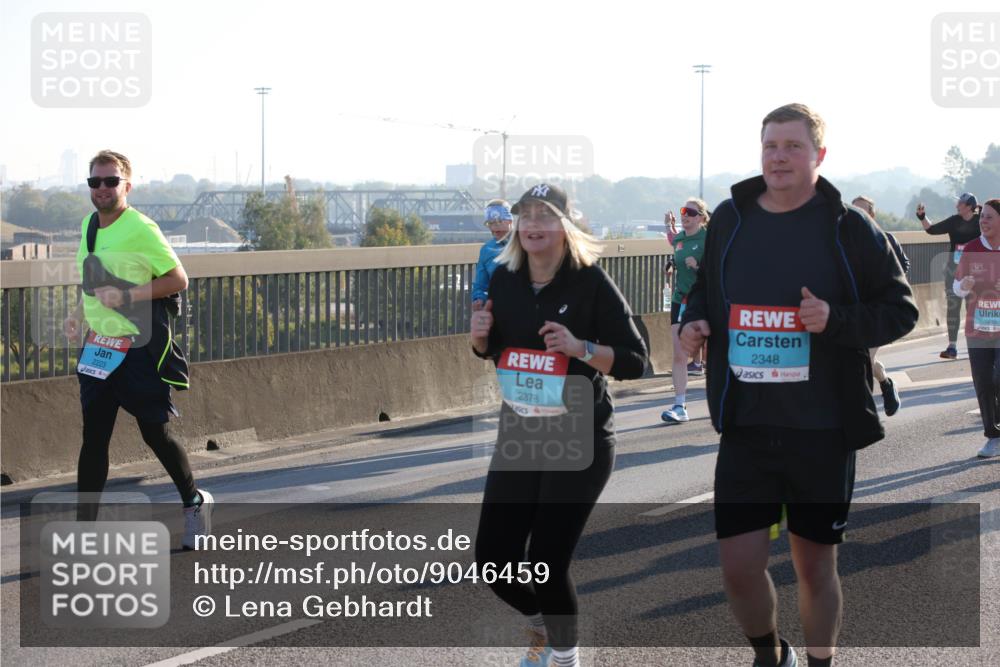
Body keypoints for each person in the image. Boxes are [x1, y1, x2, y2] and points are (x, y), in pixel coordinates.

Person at [679, 104, 917, 667]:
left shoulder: (848, 227)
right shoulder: (731, 219)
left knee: (815, 567)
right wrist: (695, 320)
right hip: (748, 424)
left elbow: (900, 310)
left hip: (822, 427)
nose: (779, 157)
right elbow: (705, 289)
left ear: (819, 155)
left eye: (792, 146)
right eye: (770, 146)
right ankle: (770, 654)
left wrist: (834, 319)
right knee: (738, 568)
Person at [471, 183, 647, 667]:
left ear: (565, 227)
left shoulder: (589, 282)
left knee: (546, 561)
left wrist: (580, 348)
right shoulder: (504, 279)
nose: (532, 225)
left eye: (544, 216)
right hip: (522, 432)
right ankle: (545, 628)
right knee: (493, 559)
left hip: (579, 434)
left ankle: (566, 657)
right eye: (525, 215)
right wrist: (481, 341)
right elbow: (498, 352)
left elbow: (636, 360)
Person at [65, 150, 213, 548]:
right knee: (94, 440)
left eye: (110, 181)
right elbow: (93, 279)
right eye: (94, 181)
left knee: (156, 434)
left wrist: (127, 296)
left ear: (127, 186)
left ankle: (194, 503)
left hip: (138, 349)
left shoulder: (141, 228)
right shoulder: (89, 226)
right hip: (99, 348)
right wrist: (78, 314)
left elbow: (178, 279)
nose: (102, 188)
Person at [851, 195, 910, 416]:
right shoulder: (842, 240)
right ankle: (885, 382)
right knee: (859, 358)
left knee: (864, 357)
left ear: (872, 215)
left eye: (862, 210)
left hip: (878, 311)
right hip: (853, 311)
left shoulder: (885, 239)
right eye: (853, 209)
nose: (857, 214)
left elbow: (903, 265)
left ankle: (860, 412)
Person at [953, 198, 1000, 458]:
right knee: (983, 382)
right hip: (978, 329)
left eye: (989, 217)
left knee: (998, 378)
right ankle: (993, 436)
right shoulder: (972, 248)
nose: (983, 221)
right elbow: (956, 287)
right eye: (982, 216)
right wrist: (964, 286)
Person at [661, 199, 710, 423]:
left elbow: (718, 271)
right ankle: (679, 406)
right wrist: (670, 268)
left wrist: (697, 267)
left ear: (701, 217)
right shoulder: (679, 239)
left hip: (704, 300)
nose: (685, 215)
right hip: (681, 300)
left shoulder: (709, 239)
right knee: (679, 354)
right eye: (683, 211)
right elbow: (673, 242)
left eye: (690, 212)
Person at [917, 192, 981, 359]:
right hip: (954, 271)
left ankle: (975, 345)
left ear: (969, 207)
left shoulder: (980, 221)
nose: (956, 205)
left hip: (976, 271)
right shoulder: (954, 221)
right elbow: (931, 230)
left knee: (972, 308)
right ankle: (952, 347)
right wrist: (922, 217)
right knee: (953, 307)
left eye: (960, 203)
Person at [472, 199, 513, 311]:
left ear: (510, 221)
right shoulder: (486, 250)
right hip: (497, 312)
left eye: (498, 222)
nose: (494, 228)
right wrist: (479, 298)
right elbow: (480, 285)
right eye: (490, 223)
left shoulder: (526, 244)